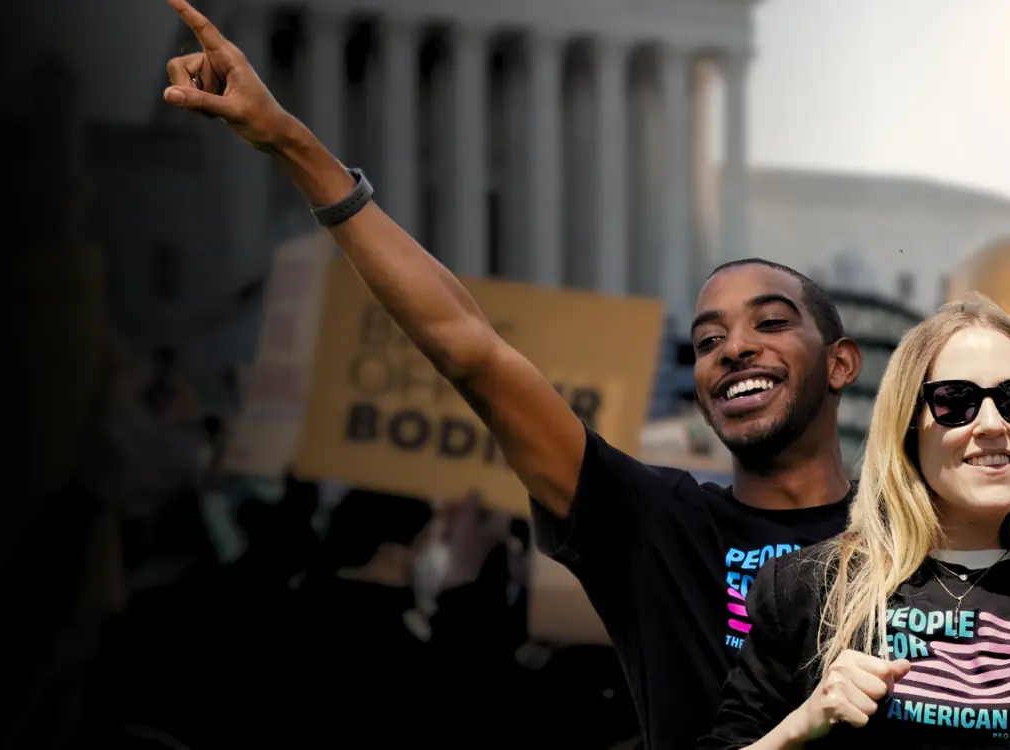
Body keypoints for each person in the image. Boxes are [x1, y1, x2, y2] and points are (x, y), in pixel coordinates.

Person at [157, 3, 862, 746]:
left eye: (772, 322)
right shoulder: (655, 525)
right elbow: (473, 353)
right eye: (709, 338)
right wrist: (290, 142)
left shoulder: (922, 537)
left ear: (843, 361)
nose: (734, 348)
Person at [698, 295, 1010, 749]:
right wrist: (804, 722)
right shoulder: (808, 587)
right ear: (908, 423)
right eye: (955, 402)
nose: (991, 424)